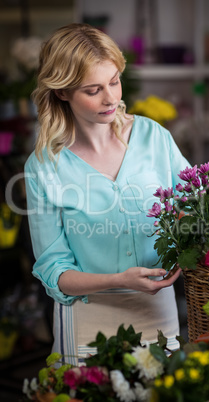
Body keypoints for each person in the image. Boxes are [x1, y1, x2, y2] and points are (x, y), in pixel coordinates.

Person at [24, 23, 190, 365]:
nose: (111, 97)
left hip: (159, 314)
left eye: (114, 82)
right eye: (93, 89)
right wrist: (119, 280)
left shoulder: (153, 137)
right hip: (87, 323)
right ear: (62, 92)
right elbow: (55, 271)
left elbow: (196, 204)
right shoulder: (43, 166)